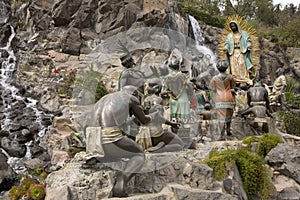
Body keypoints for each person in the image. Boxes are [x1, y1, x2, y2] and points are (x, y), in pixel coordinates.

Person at [87, 85, 155, 197]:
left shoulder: (105, 98)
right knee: (139, 154)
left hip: (92, 139)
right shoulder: (131, 98)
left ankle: (101, 157)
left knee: (116, 154)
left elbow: (115, 121)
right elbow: (143, 120)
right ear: (135, 93)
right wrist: (151, 116)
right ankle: (120, 183)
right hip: (109, 137)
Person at [142, 78, 184, 153]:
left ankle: (161, 144)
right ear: (158, 88)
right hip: (157, 134)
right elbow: (157, 116)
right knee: (180, 145)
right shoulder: (158, 99)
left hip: (146, 133)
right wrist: (171, 124)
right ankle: (161, 149)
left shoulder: (145, 100)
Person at [209, 60, 236, 140]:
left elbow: (212, 88)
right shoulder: (230, 77)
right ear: (226, 68)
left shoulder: (214, 78)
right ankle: (228, 130)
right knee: (229, 113)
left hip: (219, 97)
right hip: (228, 96)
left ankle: (221, 133)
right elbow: (233, 86)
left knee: (221, 115)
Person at [224, 20, 254, 86]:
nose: (233, 27)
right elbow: (227, 43)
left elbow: (248, 40)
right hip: (232, 52)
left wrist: (248, 45)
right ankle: (235, 79)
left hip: (241, 51)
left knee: (241, 64)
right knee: (234, 66)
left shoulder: (244, 34)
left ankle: (244, 78)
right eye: (231, 26)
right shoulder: (229, 36)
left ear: (237, 26)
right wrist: (226, 48)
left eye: (234, 26)